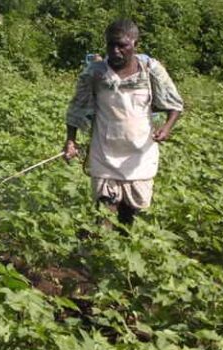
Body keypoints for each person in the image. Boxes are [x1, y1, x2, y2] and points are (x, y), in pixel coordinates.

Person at [63, 19, 183, 229]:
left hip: (140, 156)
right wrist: (70, 141)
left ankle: (122, 252)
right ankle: (99, 254)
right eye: (111, 45)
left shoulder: (150, 70)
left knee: (132, 219)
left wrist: (166, 127)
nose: (115, 51)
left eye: (122, 45)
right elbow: (76, 109)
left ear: (135, 44)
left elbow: (175, 105)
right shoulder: (96, 73)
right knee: (104, 214)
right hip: (105, 153)